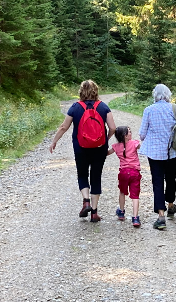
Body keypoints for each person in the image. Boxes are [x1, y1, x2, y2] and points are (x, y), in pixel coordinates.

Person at [49, 80, 116, 222]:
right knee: (96, 176)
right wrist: (105, 139)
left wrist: (54, 141)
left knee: (82, 174)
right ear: (96, 91)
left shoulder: (75, 107)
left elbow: (63, 127)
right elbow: (113, 127)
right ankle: (94, 213)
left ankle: (86, 201)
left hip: (81, 147)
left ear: (81, 91)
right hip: (99, 148)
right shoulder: (103, 107)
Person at [138, 84, 176, 231]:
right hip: (171, 152)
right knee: (170, 178)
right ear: (167, 95)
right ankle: (170, 205)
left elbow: (142, 134)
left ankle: (160, 217)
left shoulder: (148, 110)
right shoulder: (174, 108)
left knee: (157, 182)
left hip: (154, 154)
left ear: (155, 95)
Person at [109, 126, 142, 228]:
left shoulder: (116, 146)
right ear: (125, 136)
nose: (131, 133)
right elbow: (140, 146)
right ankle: (135, 218)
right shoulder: (134, 143)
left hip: (123, 173)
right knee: (135, 195)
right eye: (129, 132)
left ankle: (121, 212)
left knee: (122, 192)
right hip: (134, 172)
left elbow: (107, 153)